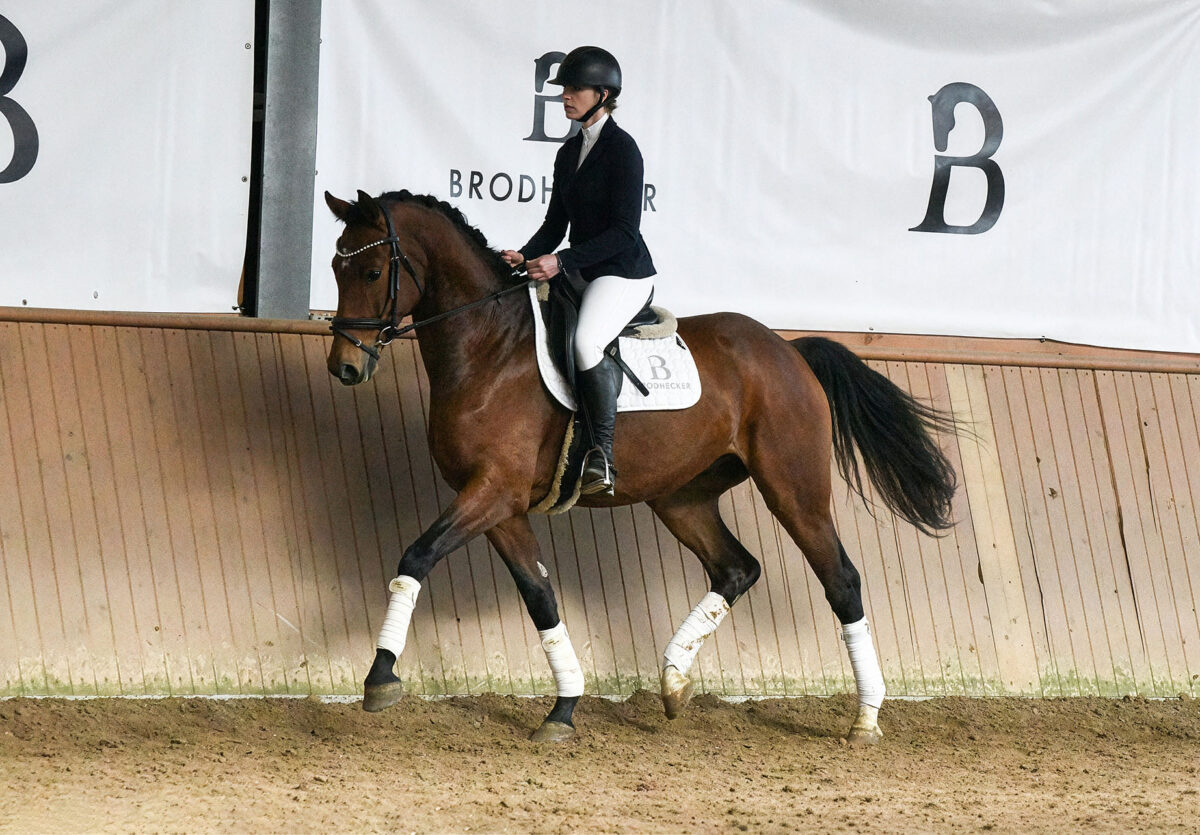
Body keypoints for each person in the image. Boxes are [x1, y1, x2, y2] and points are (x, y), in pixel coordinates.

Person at [501, 46, 655, 497]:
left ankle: (601, 455)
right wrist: (526, 256)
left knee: (587, 340)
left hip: (622, 273)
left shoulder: (624, 151)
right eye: (563, 90)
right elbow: (555, 225)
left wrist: (562, 261)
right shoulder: (569, 153)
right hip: (581, 268)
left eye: (573, 89)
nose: (564, 97)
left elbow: (625, 232)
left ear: (603, 94)